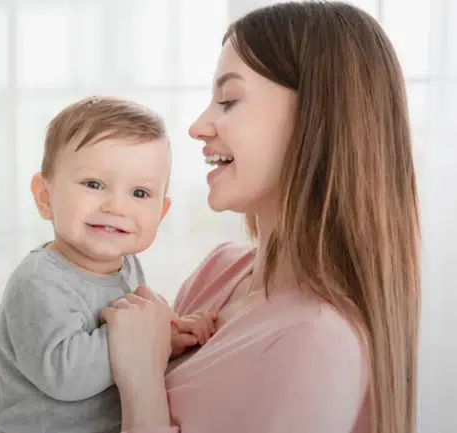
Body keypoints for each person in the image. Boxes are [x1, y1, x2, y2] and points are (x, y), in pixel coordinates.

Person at [100, 3, 420, 433]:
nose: (198, 126)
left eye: (229, 101)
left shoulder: (318, 341)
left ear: (316, 118)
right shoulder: (220, 270)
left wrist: (139, 382)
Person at [0, 96, 216, 433]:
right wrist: (152, 339)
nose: (116, 206)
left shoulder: (127, 265)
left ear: (161, 213)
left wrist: (170, 337)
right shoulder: (38, 283)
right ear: (45, 197)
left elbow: (134, 335)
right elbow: (65, 375)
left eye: (139, 193)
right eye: (94, 184)